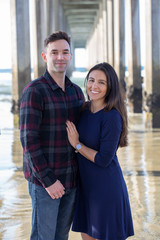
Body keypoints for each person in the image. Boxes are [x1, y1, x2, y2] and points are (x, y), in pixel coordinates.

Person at [20, 31, 84, 240]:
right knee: (43, 237)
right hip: (44, 182)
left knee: (61, 237)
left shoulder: (76, 92)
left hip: (70, 180)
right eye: (54, 52)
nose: (60, 57)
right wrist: (48, 180)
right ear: (45, 56)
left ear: (70, 56)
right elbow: (29, 142)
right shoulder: (34, 91)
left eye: (65, 52)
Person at [66, 62, 134, 240]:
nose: (94, 86)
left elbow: (104, 159)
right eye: (91, 80)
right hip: (86, 188)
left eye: (101, 82)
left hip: (106, 189)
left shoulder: (112, 116)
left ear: (110, 86)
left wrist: (77, 145)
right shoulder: (84, 110)